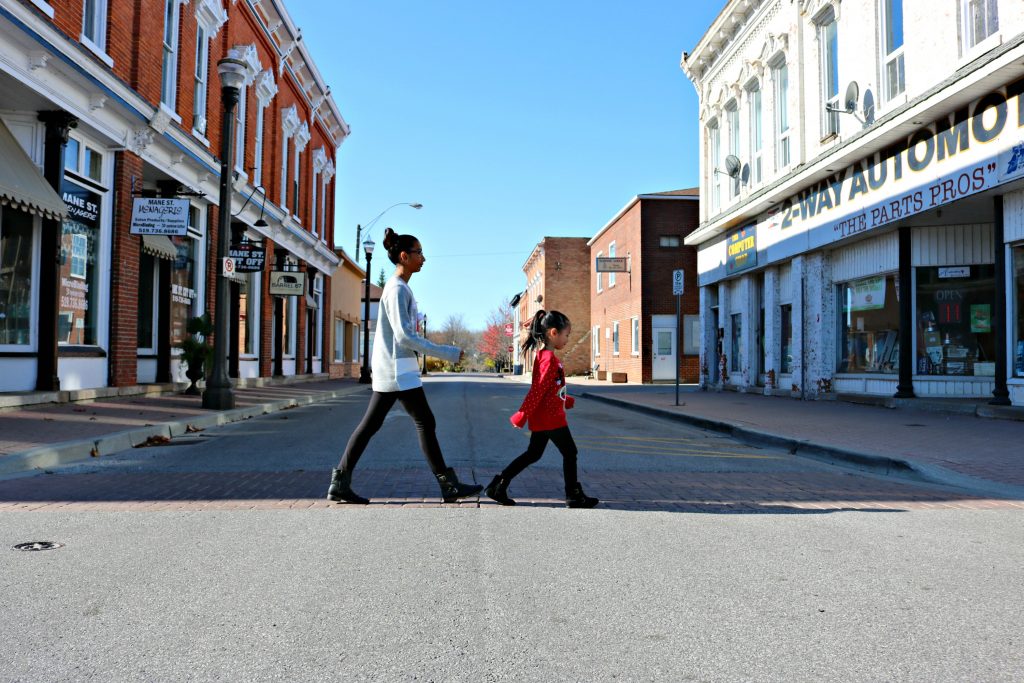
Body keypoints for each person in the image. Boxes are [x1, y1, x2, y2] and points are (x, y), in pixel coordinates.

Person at [327, 228, 483, 504]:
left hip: (397, 369)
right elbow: (404, 335)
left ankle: (340, 481)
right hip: (398, 371)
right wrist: (446, 351)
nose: (423, 258)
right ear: (404, 256)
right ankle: (448, 485)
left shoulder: (401, 288)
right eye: (419, 252)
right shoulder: (397, 289)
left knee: (373, 425)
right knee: (423, 422)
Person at [484, 310, 599, 508]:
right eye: (566, 335)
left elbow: (549, 386)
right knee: (570, 452)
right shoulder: (548, 359)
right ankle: (573, 495)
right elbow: (538, 389)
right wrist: (522, 414)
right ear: (553, 333)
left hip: (546, 414)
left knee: (533, 454)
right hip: (550, 417)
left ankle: (498, 485)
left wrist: (565, 398)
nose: (567, 339)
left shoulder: (545, 356)